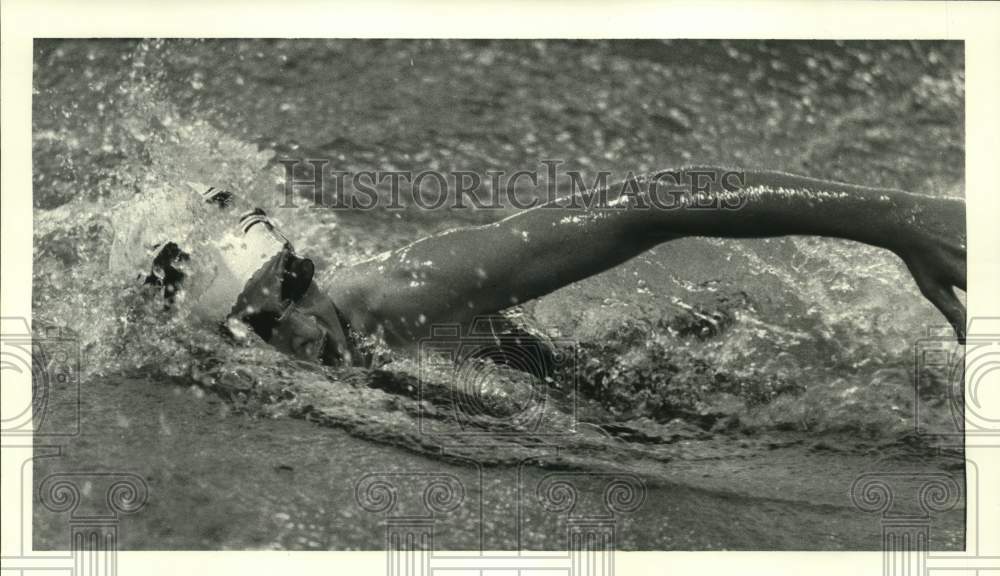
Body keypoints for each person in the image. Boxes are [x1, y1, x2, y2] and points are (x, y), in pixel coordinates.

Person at [143, 167, 967, 369]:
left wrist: (896, 224)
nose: (297, 321)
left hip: (675, 390)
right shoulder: (276, 371)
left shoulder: (421, 289)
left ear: (305, 267)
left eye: (291, 284)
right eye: (259, 321)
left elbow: (657, 199)